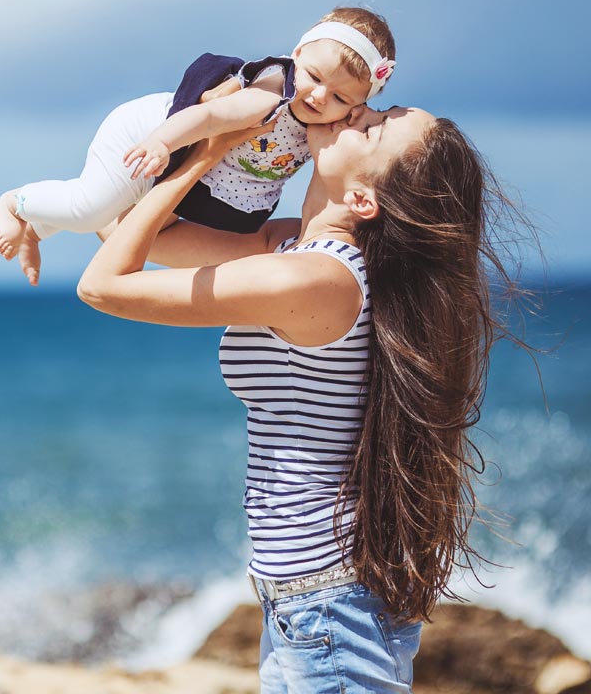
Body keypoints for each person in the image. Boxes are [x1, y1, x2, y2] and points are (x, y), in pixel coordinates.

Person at [75, 103, 515, 693]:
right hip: (304, 602)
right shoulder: (288, 249)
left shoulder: (316, 281)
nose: (356, 111)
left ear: (364, 200)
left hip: (329, 607)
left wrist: (206, 153)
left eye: (374, 127)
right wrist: (136, 156)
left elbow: (103, 286)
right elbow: (135, 236)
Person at [0, 7, 396, 285]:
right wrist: (161, 142)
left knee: (130, 229)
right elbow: (210, 118)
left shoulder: (329, 123)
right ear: (296, 56)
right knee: (89, 210)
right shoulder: (272, 95)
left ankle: (39, 227)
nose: (321, 97)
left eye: (341, 98)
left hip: (197, 176)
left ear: (359, 106)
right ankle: (16, 202)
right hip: (153, 136)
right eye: (313, 75)